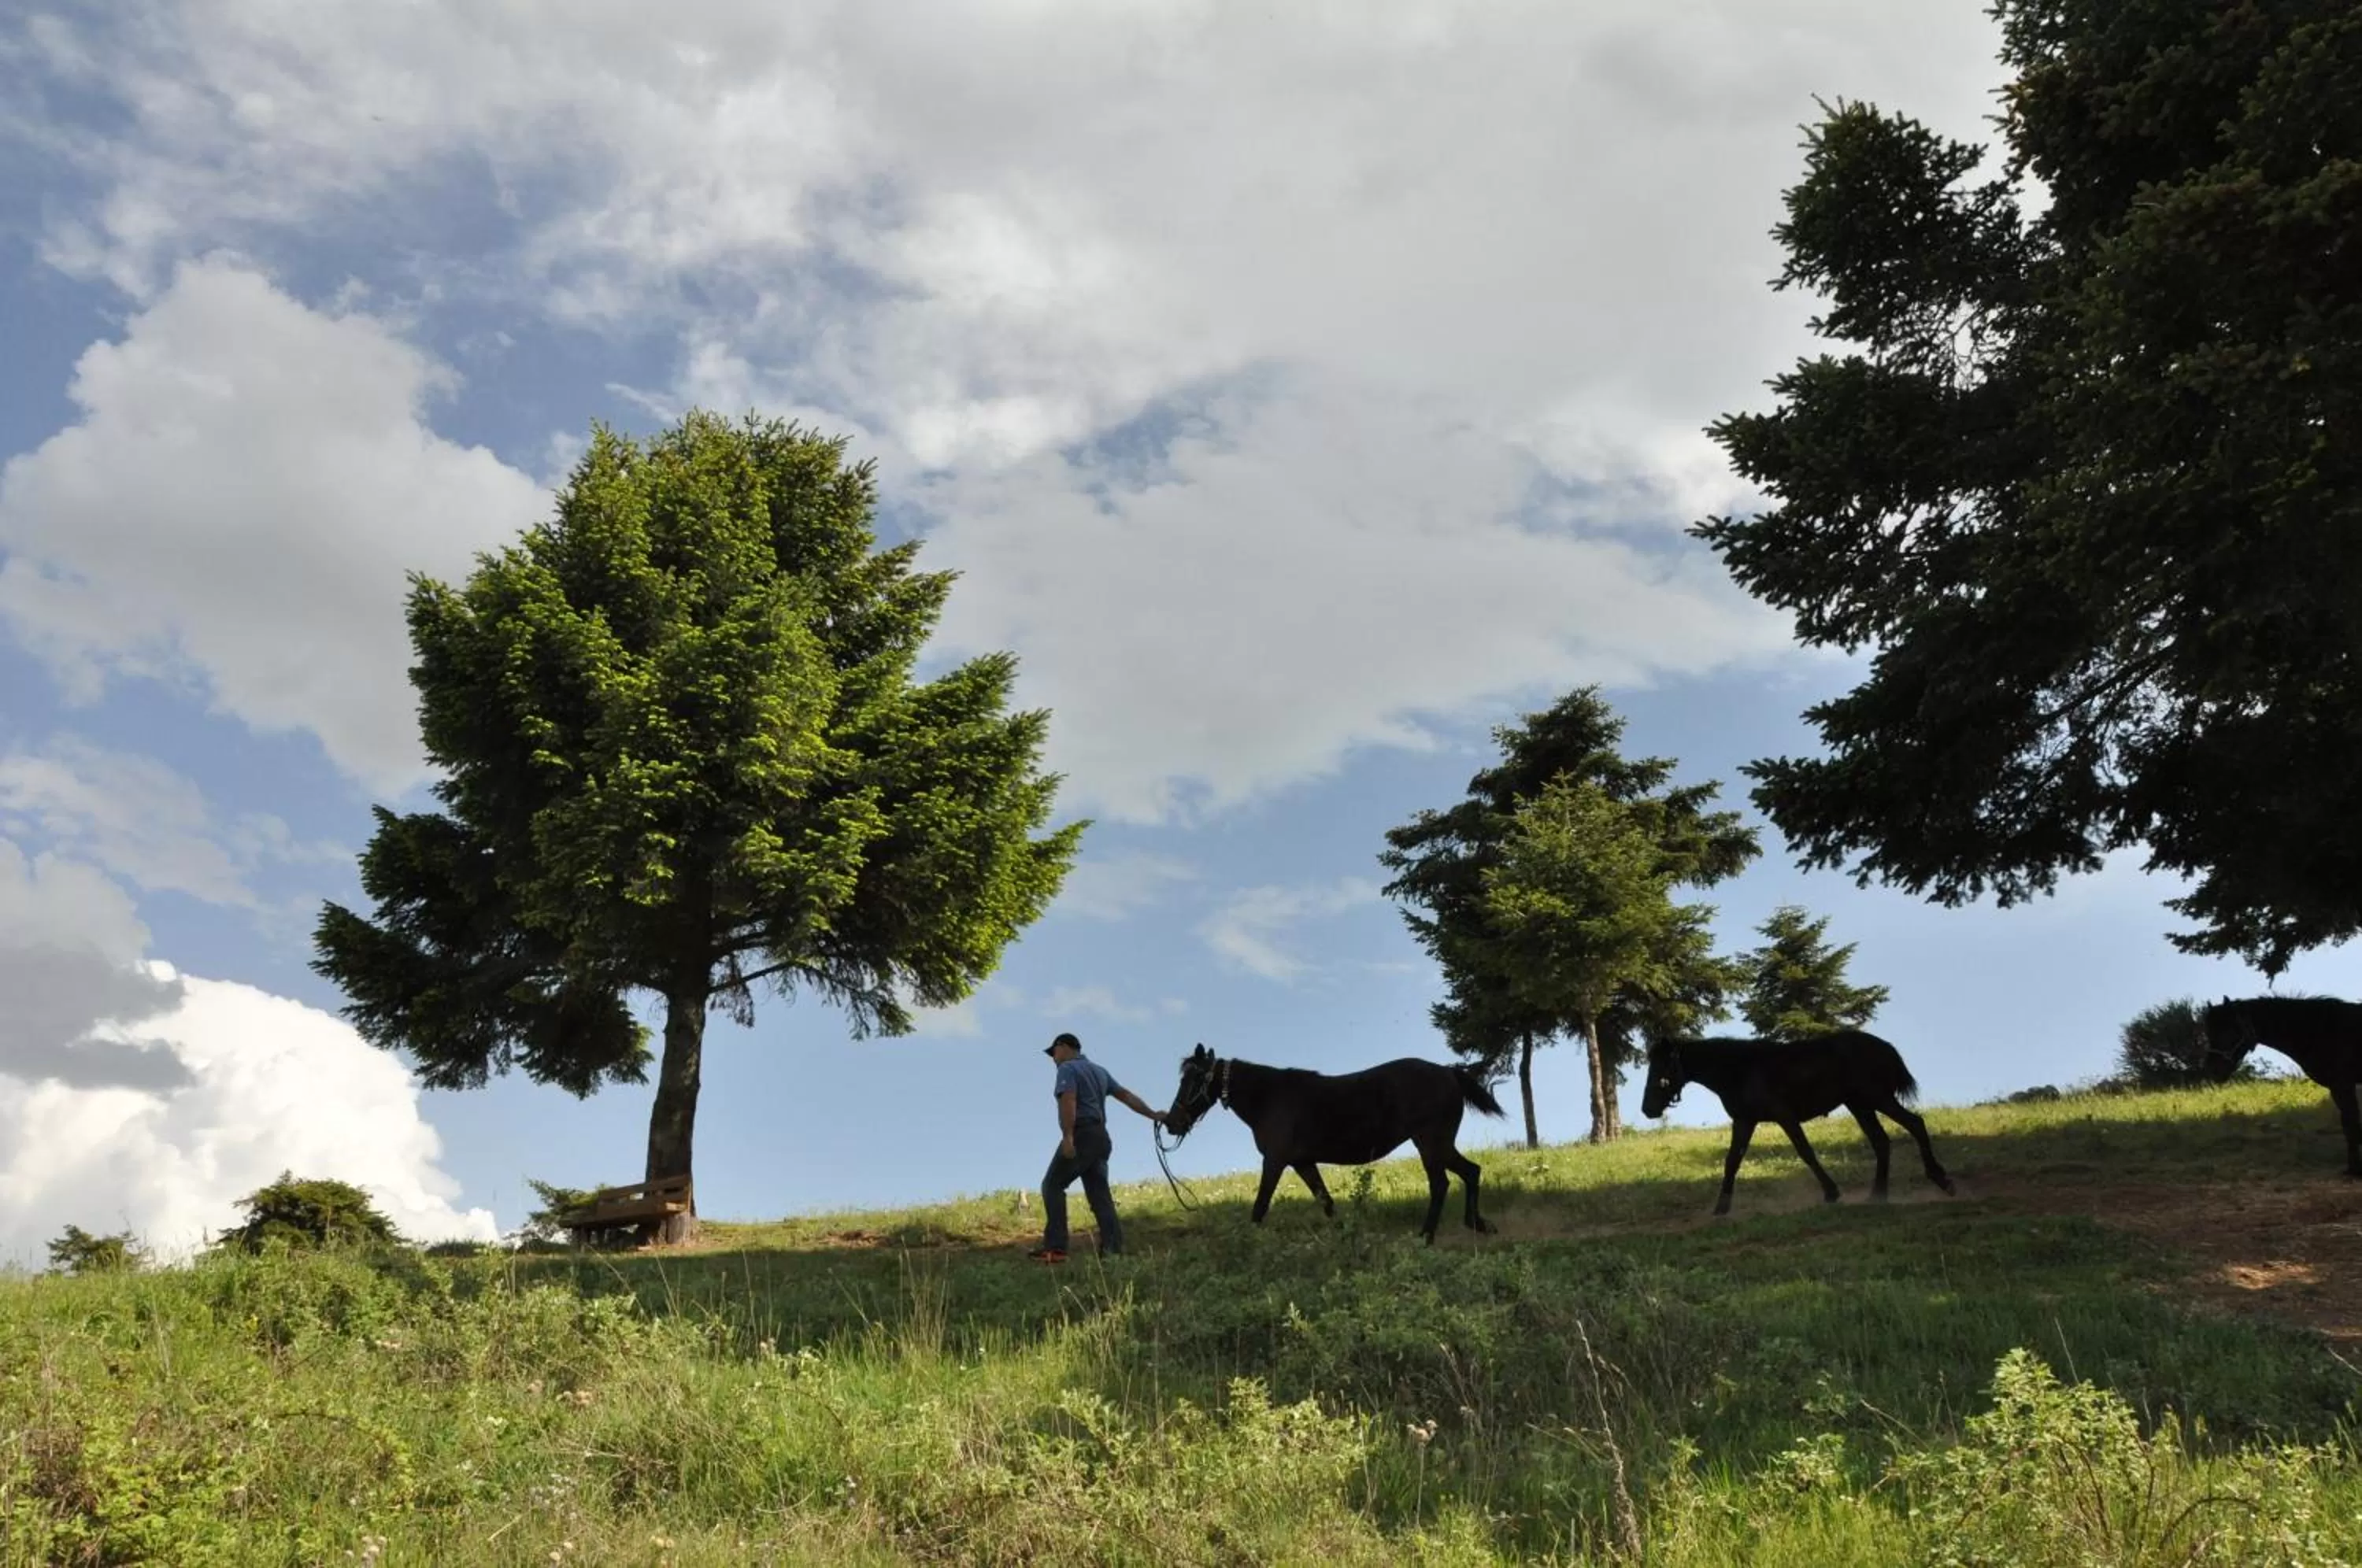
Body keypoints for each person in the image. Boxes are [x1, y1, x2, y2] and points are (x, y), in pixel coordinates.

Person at [1029, 1031, 1164, 1263]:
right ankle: (1113, 1250)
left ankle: (1056, 1248)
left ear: (1065, 1047)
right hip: (1101, 1138)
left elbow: (1068, 1099)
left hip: (1082, 1134)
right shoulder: (1100, 1072)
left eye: (1054, 1052)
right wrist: (1152, 1114)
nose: (1053, 1058)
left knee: (1052, 1185)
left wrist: (1068, 1137)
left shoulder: (1067, 1069)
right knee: (1100, 1195)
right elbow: (1126, 1096)